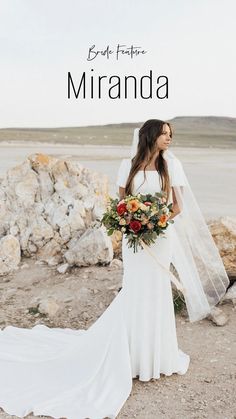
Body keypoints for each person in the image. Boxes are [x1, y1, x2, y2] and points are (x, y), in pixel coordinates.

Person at [0, 119, 229, 419]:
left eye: (172, 135)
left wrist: (154, 221)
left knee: (156, 294)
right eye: (164, 134)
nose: (169, 139)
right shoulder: (128, 165)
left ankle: (155, 358)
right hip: (135, 241)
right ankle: (131, 356)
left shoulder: (171, 166)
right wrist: (134, 222)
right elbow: (122, 203)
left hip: (159, 239)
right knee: (135, 291)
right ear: (150, 136)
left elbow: (177, 207)